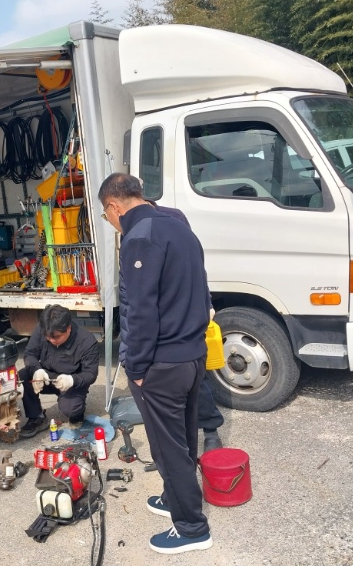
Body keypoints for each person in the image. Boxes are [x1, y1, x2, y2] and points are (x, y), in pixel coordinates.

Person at [99, 172, 213, 555]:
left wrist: (136, 368)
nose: (110, 222)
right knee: (184, 436)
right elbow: (200, 288)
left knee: (168, 448)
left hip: (163, 364)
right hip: (192, 355)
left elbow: (141, 311)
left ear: (114, 206)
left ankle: (191, 528)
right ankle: (174, 497)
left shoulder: (139, 237)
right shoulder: (177, 224)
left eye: (106, 215)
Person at [145, 199, 224, 452]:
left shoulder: (173, 217)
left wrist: (205, 302)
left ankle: (210, 429)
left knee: (195, 379)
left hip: (184, 314)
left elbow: (195, 267)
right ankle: (178, 444)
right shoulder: (134, 227)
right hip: (156, 318)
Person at [18, 304, 100, 438]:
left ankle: (76, 413)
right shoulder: (42, 329)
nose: (51, 340)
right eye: (48, 337)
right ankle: (36, 417)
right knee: (23, 375)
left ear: (68, 328)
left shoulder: (86, 341)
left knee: (71, 409)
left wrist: (72, 380)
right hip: (46, 376)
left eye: (56, 337)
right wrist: (37, 370)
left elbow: (90, 374)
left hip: (72, 381)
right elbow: (30, 354)